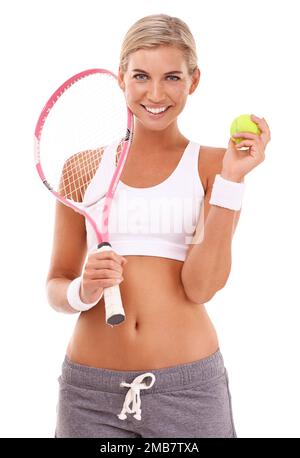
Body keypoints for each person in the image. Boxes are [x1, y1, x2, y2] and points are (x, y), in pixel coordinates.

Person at [49, 14, 270, 438]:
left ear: (194, 80)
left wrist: (232, 180)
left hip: (188, 392)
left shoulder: (214, 165)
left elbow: (202, 287)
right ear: (120, 78)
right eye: (140, 76)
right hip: (89, 395)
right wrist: (83, 289)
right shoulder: (82, 168)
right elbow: (56, 286)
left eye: (172, 77)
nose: (155, 93)